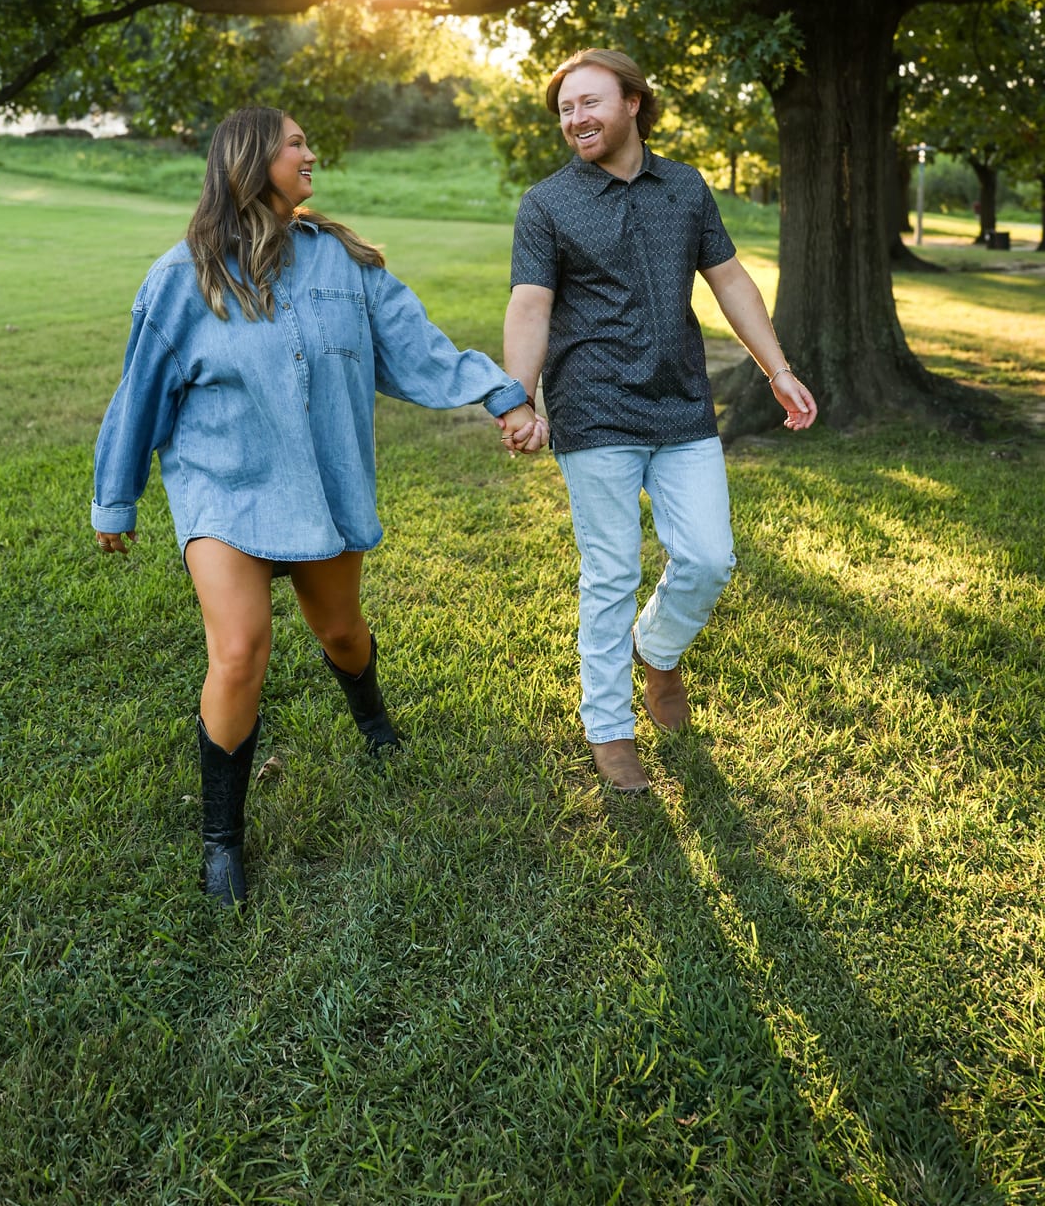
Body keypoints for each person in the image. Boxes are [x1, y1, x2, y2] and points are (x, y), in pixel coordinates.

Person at [92, 105, 537, 907]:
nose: (310, 153)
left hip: (320, 486)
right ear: (253, 158)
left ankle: (372, 721)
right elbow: (143, 388)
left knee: (340, 629)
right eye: (296, 143)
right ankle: (222, 842)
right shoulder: (185, 275)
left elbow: (417, 348)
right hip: (221, 484)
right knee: (239, 651)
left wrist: (500, 393)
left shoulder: (344, 262)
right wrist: (114, 498)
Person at [502, 50, 817, 793]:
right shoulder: (546, 203)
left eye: (589, 103)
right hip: (592, 403)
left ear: (634, 102)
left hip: (681, 401)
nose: (575, 119)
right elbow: (530, 303)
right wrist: (519, 396)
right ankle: (609, 729)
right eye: (565, 110)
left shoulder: (685, 187)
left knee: (709, 558)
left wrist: (778, 368)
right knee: (610, 573)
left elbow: (729, 278)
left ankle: (659, 651)